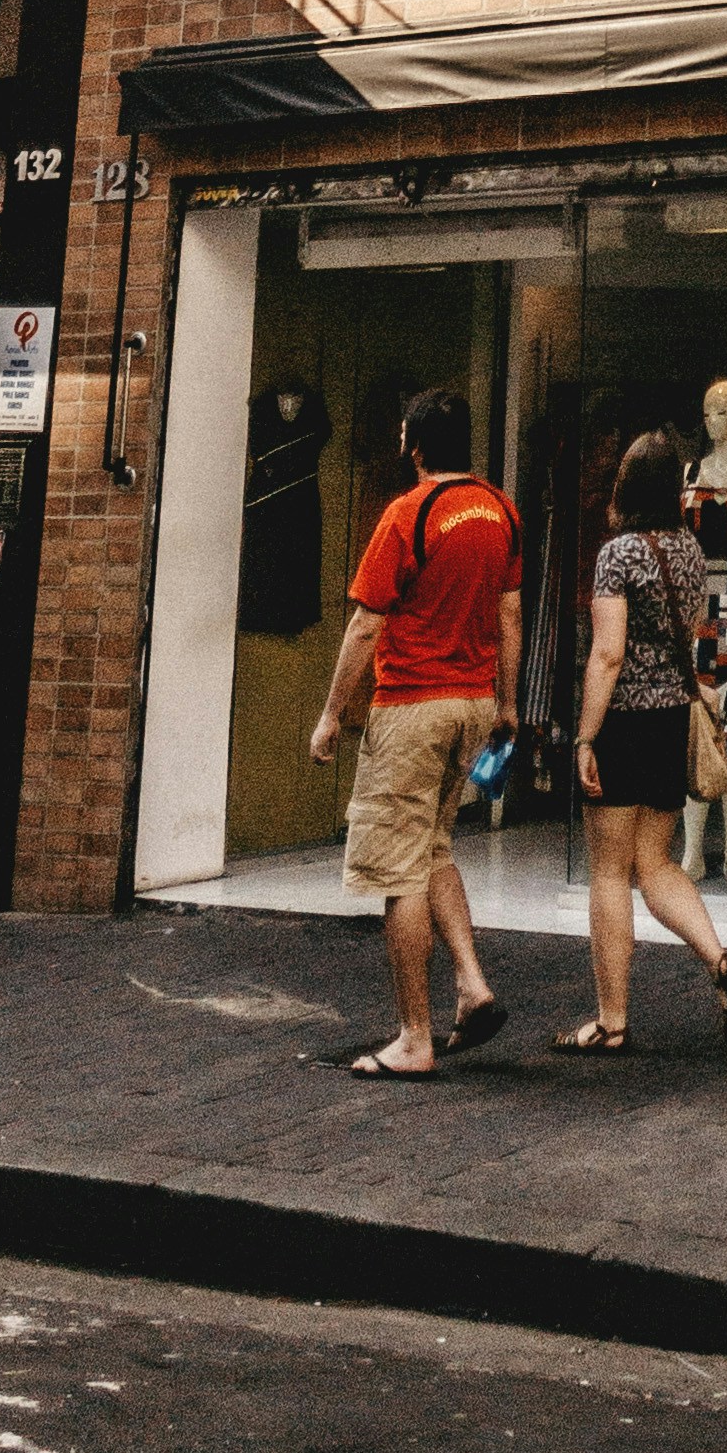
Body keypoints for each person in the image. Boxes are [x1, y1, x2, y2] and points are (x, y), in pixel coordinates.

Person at [310, 388, 518, 1082]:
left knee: (397, 871)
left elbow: (366, 623)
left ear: (416, 445)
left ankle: (414, 1037)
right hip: (474, 702)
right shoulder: (500, 509)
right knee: (434, 845)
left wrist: (333, 712)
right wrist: (508, 705)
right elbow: (510, 615)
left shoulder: (408, 513)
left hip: (412, 705)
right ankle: (472, 982)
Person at [561, 430, 727, 1055]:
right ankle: (721, 962)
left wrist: (586, 736)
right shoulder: (689, 548)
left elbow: (608, 653)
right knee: (657, 864)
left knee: (609, 875)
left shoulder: (617, 554)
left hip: (623, 722)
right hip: (674, 717)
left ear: (623, 486)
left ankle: (611, 1019)